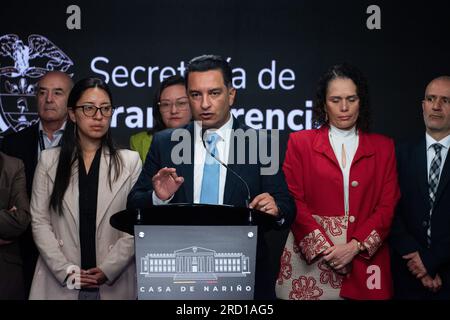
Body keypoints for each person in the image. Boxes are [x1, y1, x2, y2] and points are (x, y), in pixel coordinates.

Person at [127, 54, 295, 299]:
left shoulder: (259, 144)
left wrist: (276, 208)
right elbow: (134, 204)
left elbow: (287, 206)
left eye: (214, 93)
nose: (204, 103)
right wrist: (157, 198)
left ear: (231, 95)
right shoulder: (165, 143)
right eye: (196, 95)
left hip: (242, 274)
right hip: (178, 277)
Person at [276, 63, 400, 300]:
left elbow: (388, 206)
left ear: (360, 101)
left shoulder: (384, 147)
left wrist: (354, 247)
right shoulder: (300, 142)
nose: (344, 108)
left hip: (366, 264)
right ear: (323, 104)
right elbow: (294, 201)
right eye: (335, 100)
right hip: (311, 264)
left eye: (351, 99)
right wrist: (329, 252)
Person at [29, 77, 141, 300]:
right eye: (88, 108)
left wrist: (109, 269)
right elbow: (40, 221)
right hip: (59, 281)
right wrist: (66, 271)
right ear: (72, 114)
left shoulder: (130, 161)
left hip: (112, 282)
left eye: (105, 109)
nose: (98, 116)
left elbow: (135, 225)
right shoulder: (49, 160)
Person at [0, 70, 73, 296]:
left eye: (57, 93)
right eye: (43, 92)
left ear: (71, 101)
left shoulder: (84, 141)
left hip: (71, 248)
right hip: (23, 250)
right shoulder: (12, 143)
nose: (48, 99)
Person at [390, 76, 450, 299]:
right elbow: (390, 211)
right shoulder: (398, 154)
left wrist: (431, 261)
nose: (436, 106)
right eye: (431, 98)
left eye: (446, 100)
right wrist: (416, 259)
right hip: (406, 275)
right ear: (423, 105)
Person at [130, 75, 192, 162]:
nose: (173, 111)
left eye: (181, 103)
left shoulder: (209, 140)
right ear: (158, 109)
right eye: (166, 104)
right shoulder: (139, 142)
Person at [0, 152, 30, 299]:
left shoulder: (13, 165)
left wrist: (13, 217)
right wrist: (5, 214)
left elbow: (21, 220)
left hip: (5, 274)